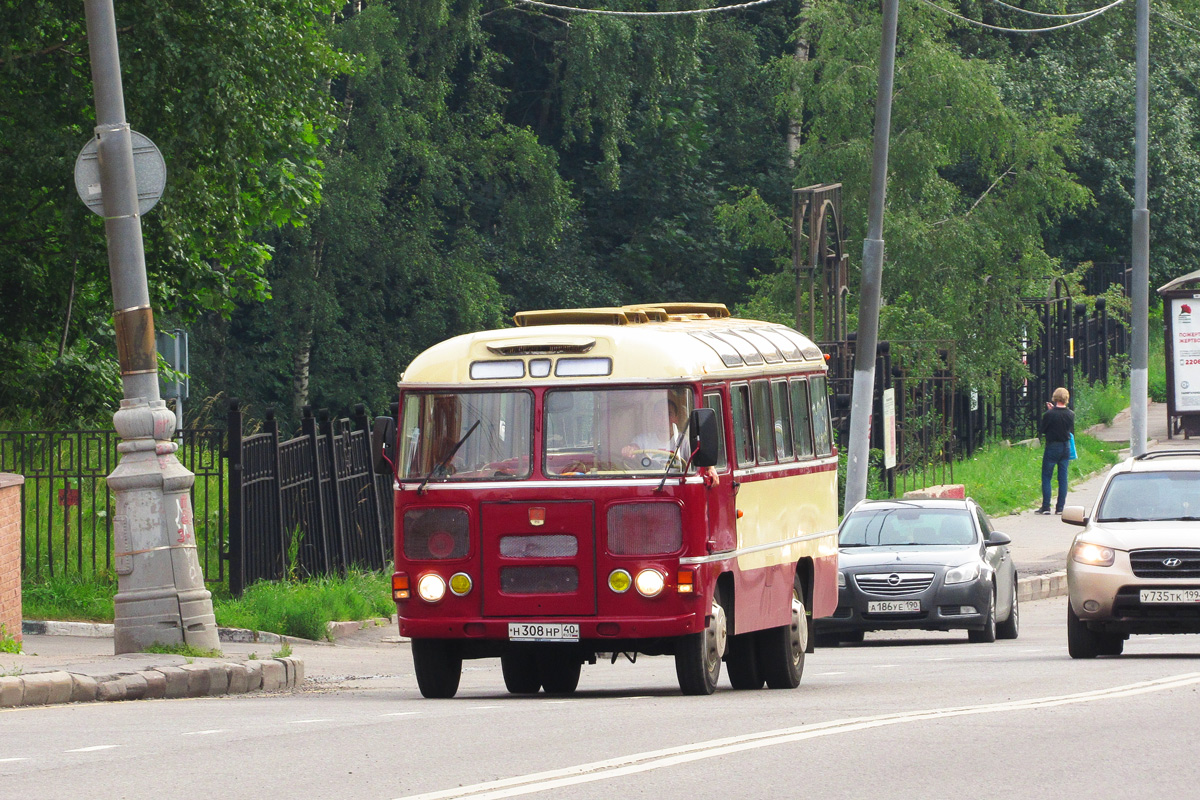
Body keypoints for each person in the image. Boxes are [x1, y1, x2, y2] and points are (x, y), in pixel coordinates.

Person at [1038, 386, 1075, 514]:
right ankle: (1060, 508)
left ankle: (1046, 506)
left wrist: (1051, 410)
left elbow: (1043, 429)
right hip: (1066, 447)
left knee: (1047, 476)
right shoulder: (1071, 414)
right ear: (1066, 398)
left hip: (1053, 446)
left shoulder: (1049, 414)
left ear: (1055, 398)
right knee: (1063, 477)